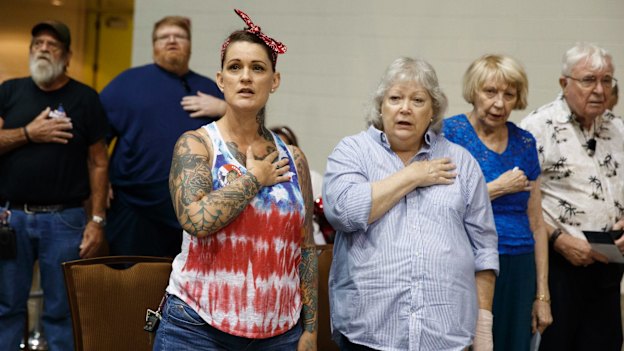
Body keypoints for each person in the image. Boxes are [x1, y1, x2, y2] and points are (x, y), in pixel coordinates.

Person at [153, 9, 318, 351]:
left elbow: (305, 248)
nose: (246, 77)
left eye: (258, 68)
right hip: (197, 328)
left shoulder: (294, 159)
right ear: (220, 79)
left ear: (274, 81)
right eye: (235, 67)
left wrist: (311, 329)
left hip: (280, 332)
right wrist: (255, 178)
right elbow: (196, 220)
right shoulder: (197, 145)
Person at [323, 57, 499, 350]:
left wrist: (483, 330)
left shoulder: (461, 163)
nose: (405, 108)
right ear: (381, 106)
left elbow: (484, 248)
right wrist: (413, 175)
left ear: (433, 111)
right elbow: (344, 213)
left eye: (418, 100)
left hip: (445, 334)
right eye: (395, 98)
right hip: (369, 333)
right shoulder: (352, 151)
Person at [0, 21, 109, 351]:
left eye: (53, 44)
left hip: (65, 219)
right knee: (6, 307)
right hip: (11, 219)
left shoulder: (85, 98)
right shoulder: (9, 91)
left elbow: (99, 162)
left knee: (61, 311)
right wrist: (30, 133)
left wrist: (97, 221)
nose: (43, 48)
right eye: (38, 43)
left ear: (67, 56)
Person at [443, 54, 552, 351]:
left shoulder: (525, 142)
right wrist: (496, 188)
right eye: (490, 92)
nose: (499, 103)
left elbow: (538, 224)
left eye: (509, 94)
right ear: (473, 92)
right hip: (468, 262)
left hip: (519, 265)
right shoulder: (450, 134)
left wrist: (542, 295)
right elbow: (439, 205)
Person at [520, 42, 624, 351]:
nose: (599, 89)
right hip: (559, 264)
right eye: (589, 80)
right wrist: (557, 240)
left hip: (609, 263)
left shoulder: (618, 129)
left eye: (607, 80)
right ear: (564, 83)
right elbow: (521, 202)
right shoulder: (538, 127)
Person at [99, 16, 225, 257]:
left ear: (190, 44)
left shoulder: (209, 88)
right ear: (153, 45)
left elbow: (244, 134)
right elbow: (95, 142)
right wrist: (100, 182)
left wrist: (224, 108)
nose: (172, 41)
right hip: (134, 210)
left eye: (179, 36)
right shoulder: (126, 84)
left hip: (194, 212)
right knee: (134, 287)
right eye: (164, 37)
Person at [270, 125, 326, 244]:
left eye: (283, 148)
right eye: (273, 148)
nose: (279, 153)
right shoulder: (261, 178)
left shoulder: (312, 178)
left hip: (307, 241)